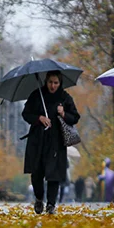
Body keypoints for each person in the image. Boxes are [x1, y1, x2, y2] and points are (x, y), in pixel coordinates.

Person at [22, 70, 80, 215]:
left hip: (56, 141)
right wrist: (39, 118)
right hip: (37, 140)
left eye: (56, 83)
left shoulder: (65, 98)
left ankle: (51, 204)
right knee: (37, 172)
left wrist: (63, 113)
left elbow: (75, 117)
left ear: (60, 83)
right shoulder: (37, 95)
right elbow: (26, 113)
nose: (53, 86)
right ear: (45, 81)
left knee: (54, 174)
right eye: (50, 82)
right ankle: (39, 198)